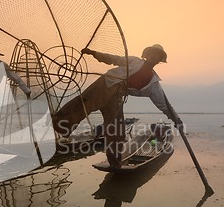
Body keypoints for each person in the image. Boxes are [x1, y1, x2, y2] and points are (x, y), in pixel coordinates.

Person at [53, 44, 183, 167]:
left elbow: (164, 105)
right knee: (84, 104)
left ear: (159, 60)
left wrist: (176, 119)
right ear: (147, 55)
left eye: (157, 56)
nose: (154, 57)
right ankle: (58, 125)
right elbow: (114, 59)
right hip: (106, 83)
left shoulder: (153, 83)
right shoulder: (135, 61)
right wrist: (94, 53)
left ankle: (115, 163)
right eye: (152, 54)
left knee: (117, 131)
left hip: (117, 96)